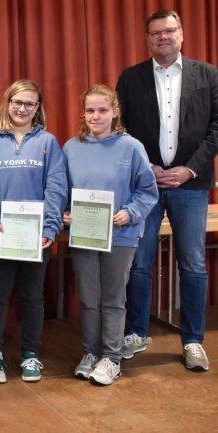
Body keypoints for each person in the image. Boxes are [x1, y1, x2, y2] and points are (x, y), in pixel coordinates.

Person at [117, 9, 218, 371]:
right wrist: (147, 167)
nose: (163, 37)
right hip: (145, 186)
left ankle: (192, 341)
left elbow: (216, 129)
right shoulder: (130, 78)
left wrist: (188, 170)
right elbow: (120, 127)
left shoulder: (207, 75)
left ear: (182, 34)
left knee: (192, 264)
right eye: (156, 32)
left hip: (192, 185)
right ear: (147, 39)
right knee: (138, 262)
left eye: (170, 30)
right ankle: (135, 333)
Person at [0, 79, 68, 384]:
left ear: (37, 108)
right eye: (17, 102)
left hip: (35, 234)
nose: (22, 108)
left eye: (30, 103)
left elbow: (56, 187)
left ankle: (30, 354)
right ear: (7, 102)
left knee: (32, 296)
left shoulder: (48, 142)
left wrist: (50, 226)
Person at [63, 84, 158, 386]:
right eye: (90, 110)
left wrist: (130, 212)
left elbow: (147, 190)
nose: (96, 116)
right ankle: (91, 353)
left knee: (113, 299)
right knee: (89, 299)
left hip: (121, 235)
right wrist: (65, 212)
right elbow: (61, 190)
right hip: (84, 235)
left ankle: (112, 359)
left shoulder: (131, 147)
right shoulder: (71, 148)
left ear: (115, 112)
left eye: (102, 110)